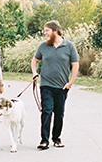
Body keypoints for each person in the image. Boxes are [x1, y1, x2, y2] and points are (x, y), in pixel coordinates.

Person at [31, 20, 79, 150]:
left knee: (59, 113)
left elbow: (75, 65)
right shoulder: (43, 46)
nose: (45, 33)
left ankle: (56, 139)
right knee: (46, 111)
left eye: (47, 30)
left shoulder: (69, 46)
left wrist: (70, 83)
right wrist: (35, 72)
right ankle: (44, 140)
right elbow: (35, 60)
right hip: (46, 85)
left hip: (62, 86)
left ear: (55, 31)